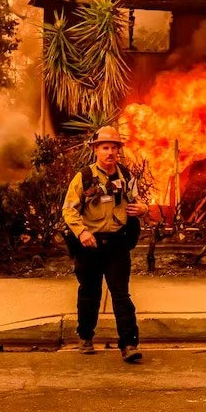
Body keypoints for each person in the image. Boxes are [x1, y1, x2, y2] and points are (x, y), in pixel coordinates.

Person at [62, 126, 147, 363]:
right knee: (89, 293)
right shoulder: (84, 177)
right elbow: (69, 211)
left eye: (114, 148)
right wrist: (81, 233)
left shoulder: (126, 177)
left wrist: (143, 209)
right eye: (105, 147)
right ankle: (86, 337)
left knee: (121, 294)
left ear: (119, 151)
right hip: (89, 245)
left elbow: (137, 202)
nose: (110, 152)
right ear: (96, 150)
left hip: (117, 244)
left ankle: (129, 344)